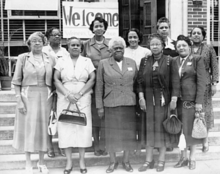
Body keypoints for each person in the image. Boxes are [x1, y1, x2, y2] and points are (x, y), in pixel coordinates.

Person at [12, 32, 55, 174]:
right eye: (34, 41)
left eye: (40, 41)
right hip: (27, 96)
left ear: (44, 43)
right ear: (29, 43)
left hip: (46, 96)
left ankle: (42, 162)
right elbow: (16, 81)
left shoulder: (50, 58)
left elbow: (55, 80)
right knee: (29, 129)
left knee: (43, 129)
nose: (37, 43)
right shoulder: (23, 58)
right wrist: (19, 101)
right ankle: (28, 163)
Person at [136, 33, 179, 172]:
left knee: (161, 130)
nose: (154, 47)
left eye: (157, 44)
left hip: (163, 100)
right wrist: (141, 97)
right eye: (152, 44)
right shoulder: (144, 61)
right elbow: (140, 81)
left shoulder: (169, 60)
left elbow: (175, 82)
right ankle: (148, 160)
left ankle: (161, 160)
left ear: (162, 46)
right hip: (148, 100)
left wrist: (173, 99)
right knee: (149, 129)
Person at [54, 37, 95, 174]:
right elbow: (56, 79)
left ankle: (82, 161)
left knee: (82, 127)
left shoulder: (87, 61)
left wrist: (80, 93)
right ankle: (69, 162)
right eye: (73, 45)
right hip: (65, 96)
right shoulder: (61, 60)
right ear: (68, 47)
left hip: (83, 97)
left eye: (78, 45)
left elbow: (92, 78)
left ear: (81, 47)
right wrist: (67, 94)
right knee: (66, 127)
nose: (75, 47)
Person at [96, 36, 137, 173]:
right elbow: (99, 87)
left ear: (124, 49)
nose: (118, 50)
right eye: (115, 48)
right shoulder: (103, 63)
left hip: (128, 103)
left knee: (128, 134)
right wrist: (99, 106)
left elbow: (136, 84)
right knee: (111, 134)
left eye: (121, 48)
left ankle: (126, 161)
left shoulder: (131, 62)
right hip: (111, 103)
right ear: (110, 50)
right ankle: (112, 162)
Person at [171, 35, 206, 170]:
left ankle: (192, 158)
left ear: (189, 47)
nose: (181, 48)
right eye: (178, 46)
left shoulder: (197, 59)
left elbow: (201, 83)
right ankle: (183, 157)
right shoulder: (174, 61)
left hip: (191, 102)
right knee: (181, 131)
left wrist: (199, 102)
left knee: (191, 131)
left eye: (184, 45)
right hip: (177, 101)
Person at [81, 16, 111, 156]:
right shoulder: (86, 45)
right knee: (94, 114)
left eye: (101, 26)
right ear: (92, 28)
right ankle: (96, 143)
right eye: (96, 26)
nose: (98, 28)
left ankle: (104, 143)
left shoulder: (110, 44)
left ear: (105, 28)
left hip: (108, 84)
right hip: (91, 84)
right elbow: (81, 63)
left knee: (106, 114)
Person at [190, 26, 219, 152]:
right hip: (190, 84)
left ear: (203, 35)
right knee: (192, 112)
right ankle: (193, 140)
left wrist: (214, 83)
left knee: (205, 111)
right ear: (191, 35)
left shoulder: (209, 48)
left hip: (206, 83)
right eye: (194, 33)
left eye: (199, 33)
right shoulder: (187, 47)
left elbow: (214, 66)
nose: (196, 35)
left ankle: (205, 140)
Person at [124, 28, 151, 155]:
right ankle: (132, 143)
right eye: (130, 37)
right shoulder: (123, 51)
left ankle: (142, 142)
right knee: (130, 116)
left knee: (142, 116)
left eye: (135, 37)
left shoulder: (146, 51)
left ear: (139, 38)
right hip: (128, 87)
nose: (133, 40)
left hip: (142, 87)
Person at [43, 27, 69, 158]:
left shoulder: (65, 52)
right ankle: (49, 146)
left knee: (61, 117)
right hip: (47, 88)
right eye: (54, 35)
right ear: (48, 37)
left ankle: (62, 145)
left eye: (59, 35)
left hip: (62, 88)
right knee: (49, 118)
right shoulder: (43, 51)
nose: (57, 37)